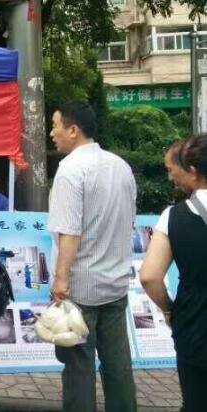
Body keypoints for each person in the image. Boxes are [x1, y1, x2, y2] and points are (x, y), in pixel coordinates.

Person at [47, 101, 137, 412]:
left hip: (80, 287)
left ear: (73, 130)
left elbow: (69, 231)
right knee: (118, 364)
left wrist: (60, 279)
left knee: (78, 366)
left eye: (55, 125)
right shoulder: (120, 165)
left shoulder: (70, 169)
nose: (52, 133)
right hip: (116, 283)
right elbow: (129, 220)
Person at [141, 135, 207, 411]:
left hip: (195, 324)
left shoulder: (174, 216)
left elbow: (150, 277)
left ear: (193, 171)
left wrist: (170, 310)